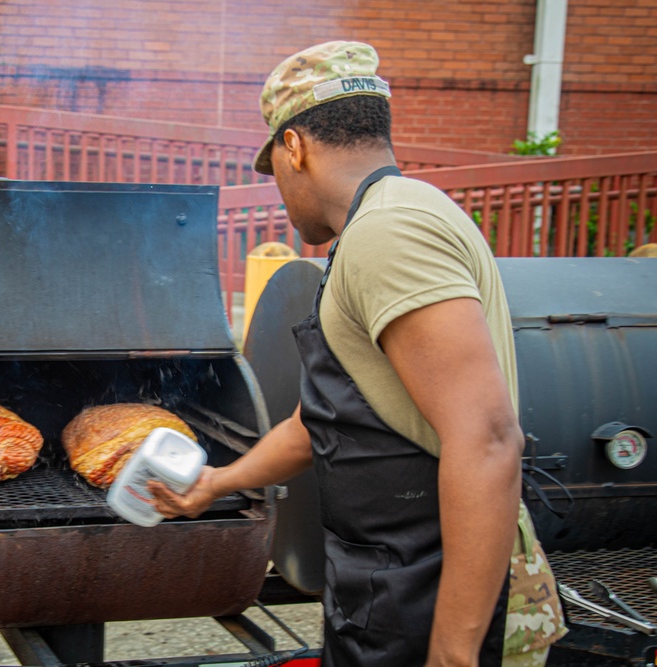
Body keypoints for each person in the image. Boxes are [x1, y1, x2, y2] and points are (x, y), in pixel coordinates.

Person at [149, 41, 567, 667]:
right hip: (390, 590)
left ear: (296, 147)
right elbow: (323, 420)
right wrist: (219, 482)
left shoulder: (387, 235)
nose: (281, 193)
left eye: (277, 168)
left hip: (432, 597)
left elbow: (485, 440)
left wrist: (452, 656)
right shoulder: (403, 214)